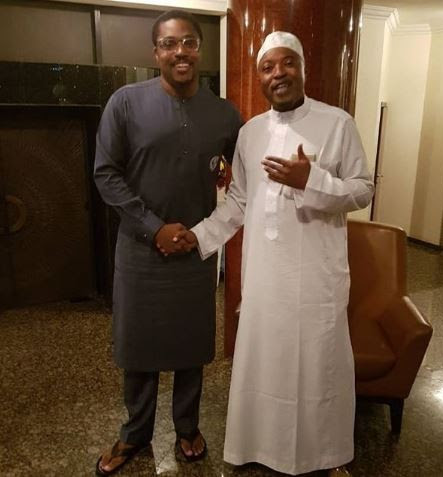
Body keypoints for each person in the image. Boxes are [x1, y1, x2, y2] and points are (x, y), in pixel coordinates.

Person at [180, 31, 374, 476]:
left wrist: (312, 181)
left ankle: (325, 456)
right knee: (265, 364)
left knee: (318, 365)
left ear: (302, 68)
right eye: (267, 67)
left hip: (316, 278)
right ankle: (256, 447)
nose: (278, 73)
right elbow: (239, 201)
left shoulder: (337, 123)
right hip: (265, 279)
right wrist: (199, 236)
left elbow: (363, 190)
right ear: (260, 78)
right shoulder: (250, 133)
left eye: (287, 63)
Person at [93, 9, 241, 476]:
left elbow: (241, 174)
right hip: (141, 251)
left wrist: (206, 228)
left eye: (189, 42)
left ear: (200, 49)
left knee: (191, 345)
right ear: (155, 52)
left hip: (194, 252)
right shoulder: (125, 103)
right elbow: (106, 174)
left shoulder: (224, 113)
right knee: (138, 347)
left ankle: (187, 427)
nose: (180, 52)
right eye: (169, 43)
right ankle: (135, 433)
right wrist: (153, 227)